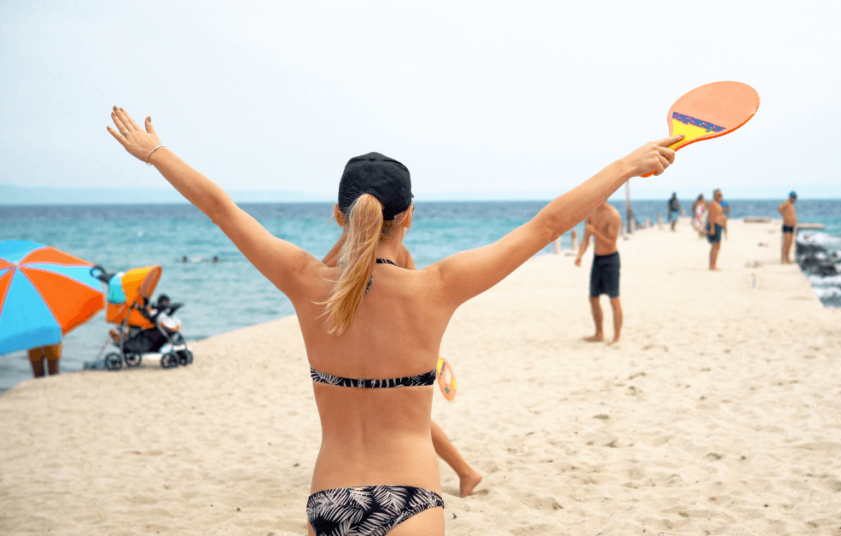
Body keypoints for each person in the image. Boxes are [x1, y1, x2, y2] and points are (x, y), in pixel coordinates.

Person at [106, 106, 680, 536]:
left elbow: (220, 209)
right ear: (409, 217)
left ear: (338, 214)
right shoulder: (438, 286)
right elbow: (548, 225)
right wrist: (628, 164)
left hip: (328, 498)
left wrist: (156, 153)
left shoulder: (303, 280)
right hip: (411, 500)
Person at [321, 239, 483, 498]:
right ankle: (464, 472)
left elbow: (319, 275)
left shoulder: (364, 249)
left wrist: (346, 240)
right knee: (396, 417)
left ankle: (465, 472)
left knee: (406, 418)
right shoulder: (395, 251)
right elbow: (417, 297)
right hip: (381, 346)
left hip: (386, 349)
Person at [574, 201, 623, 344]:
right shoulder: (590, 213)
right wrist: (579, 256)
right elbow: (585, 239)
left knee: (614, 299)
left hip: (611, 259)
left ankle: (616, 337)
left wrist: (595, 232)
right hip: (597, 259)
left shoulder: (613, 215)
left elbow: (611, 243)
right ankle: (599, 333)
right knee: (593, 298)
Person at [706, 189, 726, 270]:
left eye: (721, 195)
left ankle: (712, 265)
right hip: (715, 226)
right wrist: (712, 228)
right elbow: (711, 216)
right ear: (715, 196)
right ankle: (712, 265)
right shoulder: (713, 204)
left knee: (716, 246)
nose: (720, 197)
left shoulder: (718, 204)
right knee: (716, 246)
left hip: (718, 226)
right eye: (718, 195)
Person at [777, 191, 797, 264]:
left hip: (792, 226)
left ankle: (787, 258)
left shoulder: (792, 205)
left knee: (789, 244)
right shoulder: (787, 203)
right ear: (790, 197)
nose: (794, 199)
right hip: (787, 225)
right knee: (786, 243)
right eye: (793, 197)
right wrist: (785, 215)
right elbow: (780, 209)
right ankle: (783, 259)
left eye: (795, 198)